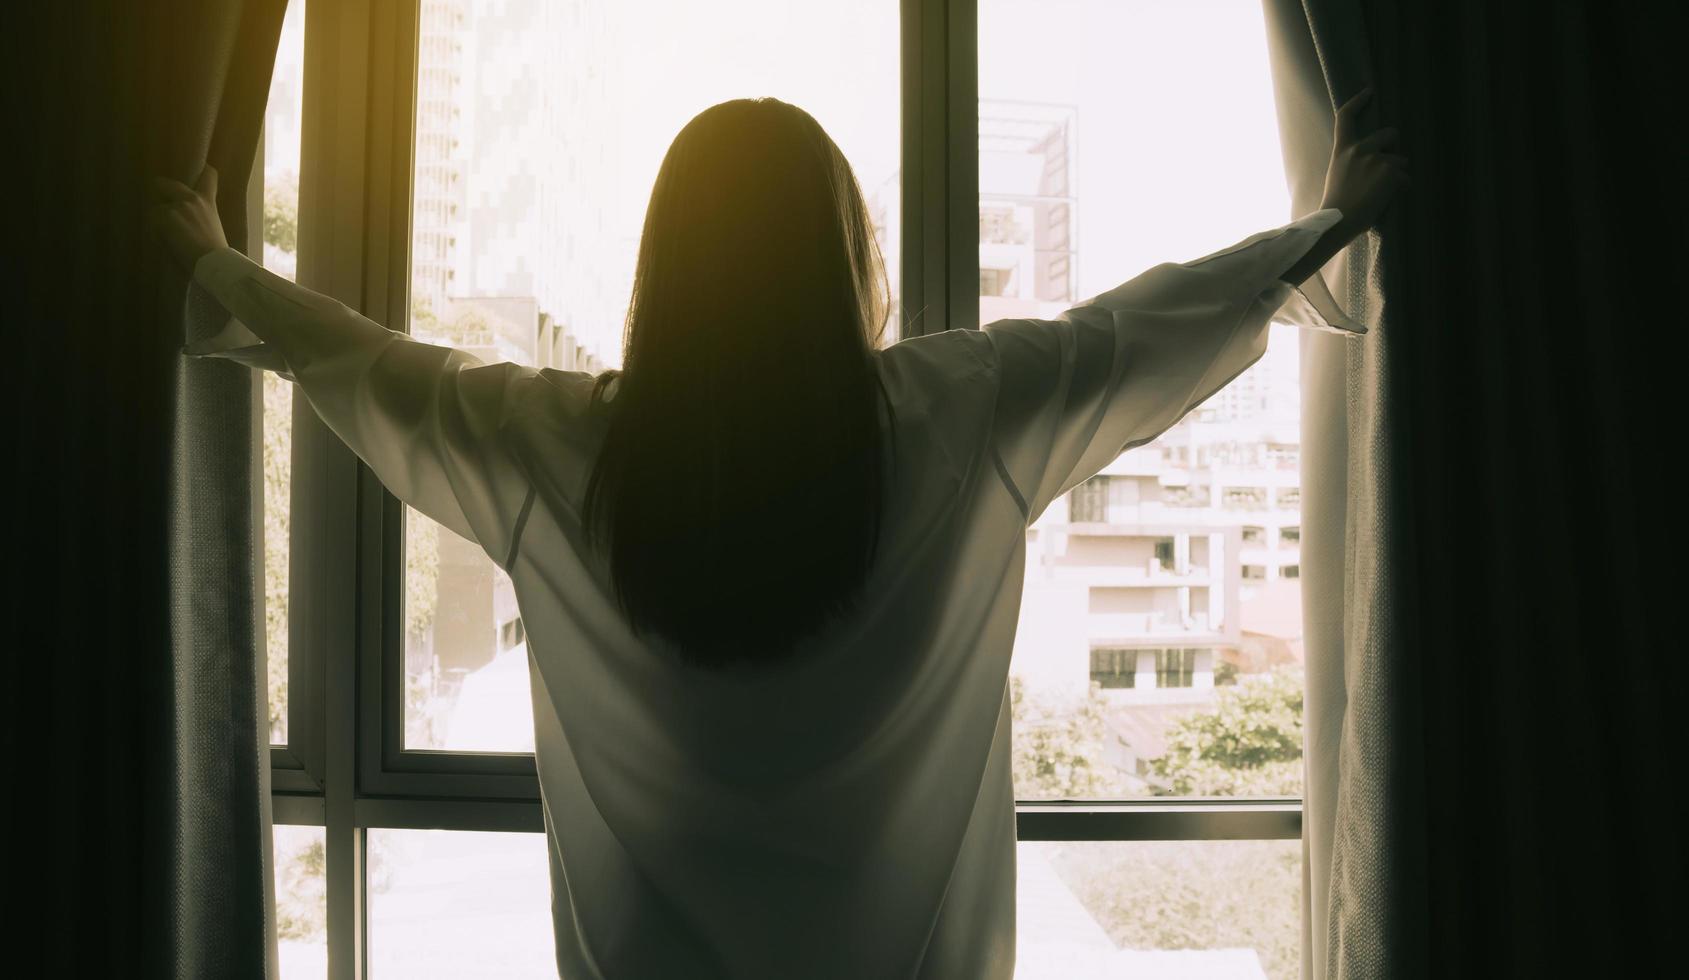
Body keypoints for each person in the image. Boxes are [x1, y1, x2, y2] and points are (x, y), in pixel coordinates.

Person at [154, 90, 1403, 979]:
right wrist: (1325, 229)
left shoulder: (556, 443)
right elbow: (1153, 324)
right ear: (850, 258)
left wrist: (212, 272)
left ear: (664, 271)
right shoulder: (956, 415)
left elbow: (361, 362)